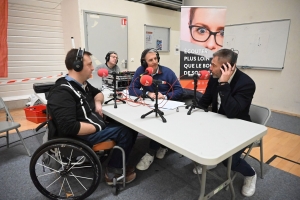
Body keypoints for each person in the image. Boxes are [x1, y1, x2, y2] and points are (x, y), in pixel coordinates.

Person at [47, 48, 138, 185]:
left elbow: (98, 93)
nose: (93, 68)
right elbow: (70, 127)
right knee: (127, 130)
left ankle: (117, 161)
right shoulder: (62, 92)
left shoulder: (82, 84)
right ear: (77, 66)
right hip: (80, 135)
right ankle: (113, 172)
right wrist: (99, 126)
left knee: (127, 125)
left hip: (91, 126)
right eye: (89, 64)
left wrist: (97, 102)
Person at [193, 48, 257, 197]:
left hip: (240, 127)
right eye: (211, 63)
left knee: (230, 162)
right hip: (218, 123)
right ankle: (213, 160)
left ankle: (250, 174)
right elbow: (205, 101)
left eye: (214, 65)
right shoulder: (214, 77)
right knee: (196, 138)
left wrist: (223, 84)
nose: (210, 67)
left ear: (228, 67)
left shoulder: (246, 83)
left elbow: (233, 112)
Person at [128, 48, 183, 170]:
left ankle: (151, 152)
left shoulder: (168, 72)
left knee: (158, 124)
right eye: (150, 60)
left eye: (156, 58)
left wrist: (165, 95)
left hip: (165, 106)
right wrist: (147, 94)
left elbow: (179, 90)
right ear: (144, 62)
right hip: (147, 104)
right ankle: (161, 145)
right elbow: (132, 88)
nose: (154, 62)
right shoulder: (141, 71)